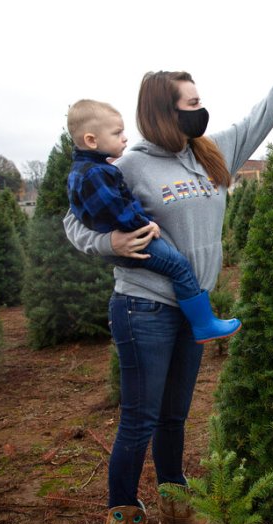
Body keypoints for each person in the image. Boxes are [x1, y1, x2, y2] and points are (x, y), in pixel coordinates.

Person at [63, 49, 273, 524]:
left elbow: (257, 120)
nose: (201, 111)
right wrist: (110, 241)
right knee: (140, 420)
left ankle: (174, 506)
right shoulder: (129, 162)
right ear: (164, 110)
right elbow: (73, 222)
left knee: (176, 416)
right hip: (145, 307)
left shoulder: (210, 152)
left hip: (191, 309)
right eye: (192, 103)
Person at [66, 99, 240, 344]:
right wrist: (143, 224)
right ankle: (203, 323)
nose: (125, 138)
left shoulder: (94, 169)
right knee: (179, 266)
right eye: (117, 133)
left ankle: (201, 321)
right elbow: (115, 210)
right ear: (91, 140)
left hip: (133, 236)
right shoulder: (97, 173)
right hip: (138, 238)